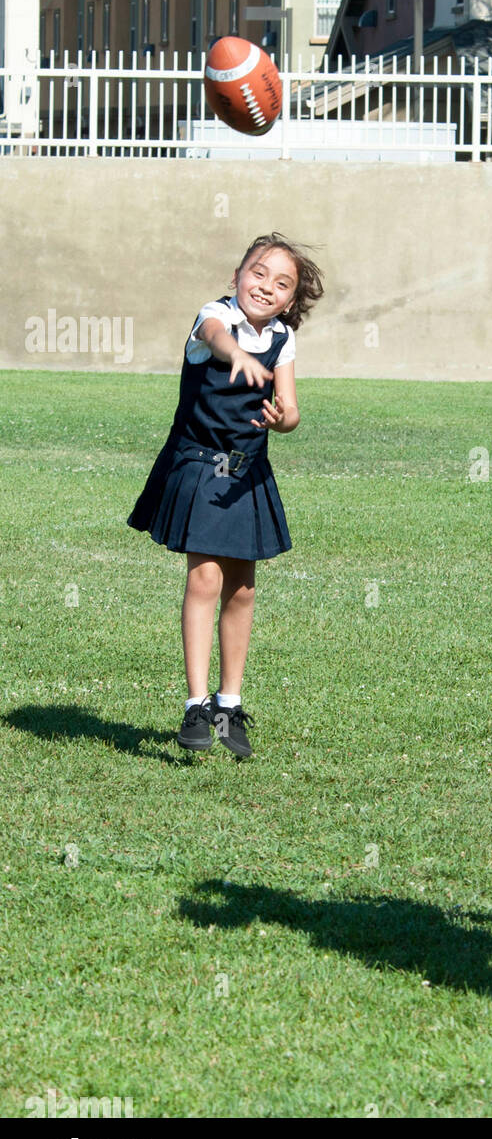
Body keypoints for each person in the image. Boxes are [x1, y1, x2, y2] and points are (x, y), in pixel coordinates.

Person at [128, 233, 324, 758]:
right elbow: (215, 336)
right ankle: (195, 704)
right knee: (205, 576)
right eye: (258, 273)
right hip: (199, 463)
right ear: (238, 274)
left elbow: (292, 411)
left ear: (291, 300)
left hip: (248, 474)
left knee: (243, 588)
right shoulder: (212, 317)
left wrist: (283, 419)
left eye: (282, 284)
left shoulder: (283, 338)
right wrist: (235, 351)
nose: (266, 286)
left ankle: (227, 705)